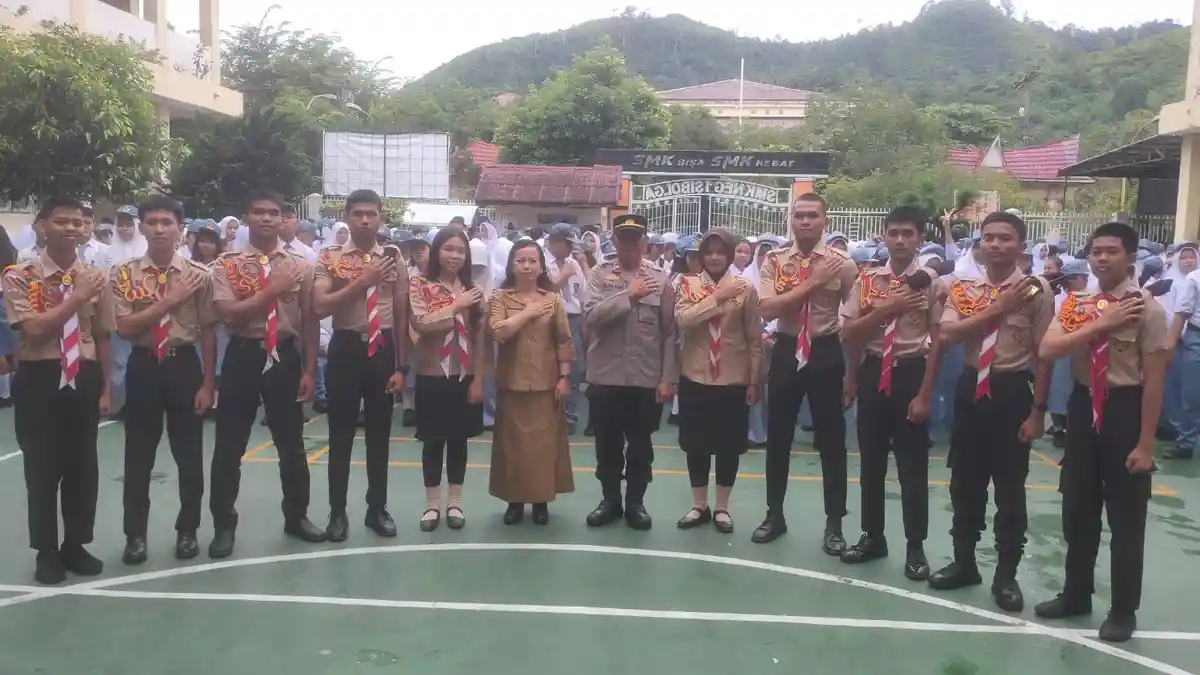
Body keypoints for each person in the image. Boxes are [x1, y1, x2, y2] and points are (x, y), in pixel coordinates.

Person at [1034, 222, 1169, 642]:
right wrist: (1101, 323)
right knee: (1077, 508)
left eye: (1112, 251)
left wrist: (1145, 444)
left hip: (1125, 409)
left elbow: (1155, 381)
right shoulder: (1076, 305)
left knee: (1126, 517)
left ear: (1130, 257)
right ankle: (1076, 593)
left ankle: (1123, 610)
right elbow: (1047, 350)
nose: (1102, 258)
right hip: (1082, 407)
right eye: (1096, 251)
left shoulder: (1148, 309)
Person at [928, 211, 1052, 613]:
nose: (995, 244)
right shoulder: (964, 287)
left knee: (1010, 487)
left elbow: (1044, 355)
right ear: (979, 243)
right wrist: (999, 308)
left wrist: (1038, 411)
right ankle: (964, 562)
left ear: (1020, 245)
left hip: (1012, 390)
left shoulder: (1037, 290)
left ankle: (1006, 575)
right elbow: (947, 334)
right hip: (971, 388)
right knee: (964, 481)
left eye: (1005, 238)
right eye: (989, 237)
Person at [3, 196, 114, 584]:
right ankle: (46, 551)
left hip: (83, 374)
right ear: (41, 226)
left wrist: (106, 388)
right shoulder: (20, 276)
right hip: (40, 376)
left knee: (83, 466)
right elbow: (33, 329)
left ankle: (75, 544)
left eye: (78, 222)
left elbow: (102, 335)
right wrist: (77, 296)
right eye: (61, 221)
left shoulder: (98, 276)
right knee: (42, 468)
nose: (71, 228)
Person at [208, 189, 324, 559]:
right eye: (258, 212)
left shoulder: (300, 265)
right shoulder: (226, 264)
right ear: (246, 218)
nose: (267, 218)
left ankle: (297, 516)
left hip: (285, 357)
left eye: (274, 212)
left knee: (291, 444)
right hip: (243, 353)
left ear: (283, 218)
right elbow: (228, 314)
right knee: (229, 445)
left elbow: (309, 320)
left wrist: (309, 369)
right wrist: (271, 290)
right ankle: (224, 525)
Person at [111, 195, 216, 565]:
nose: (159, 229)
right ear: (141, 227)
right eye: (152, 222)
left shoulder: (199, 275)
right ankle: (135, 535)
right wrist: (170, 300)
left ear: (180, 228)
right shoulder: (123, 274)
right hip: (143, 365)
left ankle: (188, 530)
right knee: (138, 455)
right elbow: (124, 327)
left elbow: (208, 331)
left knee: (189, 455)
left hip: (183, 364)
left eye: (167, 222)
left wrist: (208, 384)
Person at [838, 206, 942, 579]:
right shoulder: (867, 281)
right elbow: (849, 333)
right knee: (871, 462)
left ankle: (915, 546)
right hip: (872, 371)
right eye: (893, 232)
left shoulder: (932, 283)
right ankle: (873, 536)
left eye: (907, 233)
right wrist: (852, 378)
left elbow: (939, 341)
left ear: (920, 238)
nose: (899, 240)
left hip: (911, 372)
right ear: (883, 236)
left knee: (912, 466)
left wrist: (925, 394)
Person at [754, 193, 858, 549]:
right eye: (799, 215)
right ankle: (774, 515)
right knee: (778, 437)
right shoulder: (775, 260)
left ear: (824, 220)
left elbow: (853, 318)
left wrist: (851, 373)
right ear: (791, 220)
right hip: (786, 350)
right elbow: (767, 309)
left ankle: (834, 523)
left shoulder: (843, 265)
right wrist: (812, 283)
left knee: (831, 440)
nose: (805, 221)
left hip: (826, 350)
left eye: (812, 215)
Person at [313, 189, 408, 541]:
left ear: (381, 217)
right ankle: (337, 512)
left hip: (383, 348)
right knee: (340, 434)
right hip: (346, 348)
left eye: (372, 214)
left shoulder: (393, 258)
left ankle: (377, 508)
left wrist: (402, 367)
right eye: (358, 214)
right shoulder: (330, 257)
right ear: (346, 216)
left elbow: (401, 313)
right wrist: (362, 282)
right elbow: (320, 306)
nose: (365, 220)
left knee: (380, 435)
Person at [583, 214, 678, 530]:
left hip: (644, 378)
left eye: (635, 237)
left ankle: (636, 503)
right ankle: (610, 501)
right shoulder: (599, 275)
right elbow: (591, 317)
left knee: (640, 447)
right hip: (606, 376)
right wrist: (629, 296)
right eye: (623, 236)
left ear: (644, 241)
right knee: (606, 445)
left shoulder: (661, 279)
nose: (629, 242)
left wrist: (668, 377)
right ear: (614, 240)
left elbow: (670, 333)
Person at [673, 228, 762, 533]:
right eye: (708, 252)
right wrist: (716, 298)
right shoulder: (687, 283)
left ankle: (722, 507)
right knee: (695, 445)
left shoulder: (745, 288)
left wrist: (754, 379)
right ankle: (699, 505)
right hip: (696, 375)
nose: (714, 258)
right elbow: (683, 320)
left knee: (728, 447)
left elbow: (754, 338)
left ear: (730, 254)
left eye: (720, 252)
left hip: (732, 378)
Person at [487, 239, 575, 524]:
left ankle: (540, 501)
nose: (527, 266)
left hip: (546, 384)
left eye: (533, 261)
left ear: (541, 266)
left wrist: (564, 377)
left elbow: (563, 340)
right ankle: (514, 501)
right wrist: (527, 313)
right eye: (521, 260)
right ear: (511, 265)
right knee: (512, 446)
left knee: (543, 447)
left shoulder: (553, 300)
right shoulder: (499, 298)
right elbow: (497, 332)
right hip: (511, 382)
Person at [409, 227, 487, 531]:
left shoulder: (473, 289)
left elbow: (480, 337)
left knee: (458, 441)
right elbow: (422, 323)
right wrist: (456, 305)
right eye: (448, 249)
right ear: (436, 251)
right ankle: (432, 505)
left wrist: (478, 378)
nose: (454, 255)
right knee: (432, 441)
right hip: (432, 373)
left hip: (464, 375)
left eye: (460, 251)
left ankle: (455, 503)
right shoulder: (420, 284)